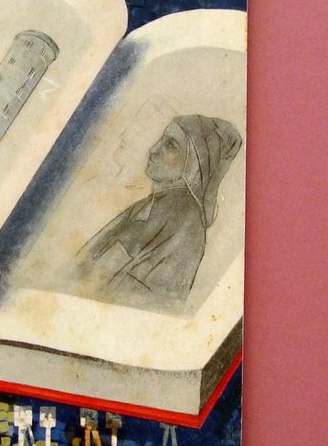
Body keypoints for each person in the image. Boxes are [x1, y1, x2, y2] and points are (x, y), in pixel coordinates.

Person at [75, 115, 242, 312]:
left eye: (170, 145)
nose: (153, 150)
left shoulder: (186, 228)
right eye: (162, 140)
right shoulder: (153, 205)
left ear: (195, 165)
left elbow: (139, 303)